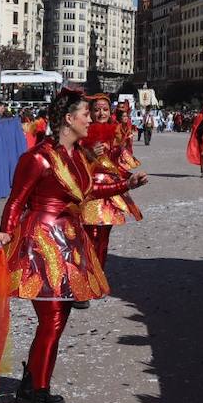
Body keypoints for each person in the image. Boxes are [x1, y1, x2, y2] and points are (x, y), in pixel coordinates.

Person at [0, 88, 147, 403]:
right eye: (85, 114)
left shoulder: (76, 156)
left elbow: (86, 193)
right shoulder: (39, 158)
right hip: (41, 243)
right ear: (68, 119)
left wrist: (125, 184)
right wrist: (4, 234)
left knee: (59, 319)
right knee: (53, 319)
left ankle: (31, 386)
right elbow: (16, 201)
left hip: (68, 241)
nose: (91, 119)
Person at [78, 93, 143, 278]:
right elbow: (71, 163)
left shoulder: (116, 134)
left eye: (105, 109)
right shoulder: (81, 132)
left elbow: (119, 166)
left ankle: (97, 276)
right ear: (90, 111)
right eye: (97, 109)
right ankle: (85, 277)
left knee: (103, 237)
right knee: (88, 236)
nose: (101, 113)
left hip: (110, 194)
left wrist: (132, 180)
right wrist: (88, 153)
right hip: (88, 191)